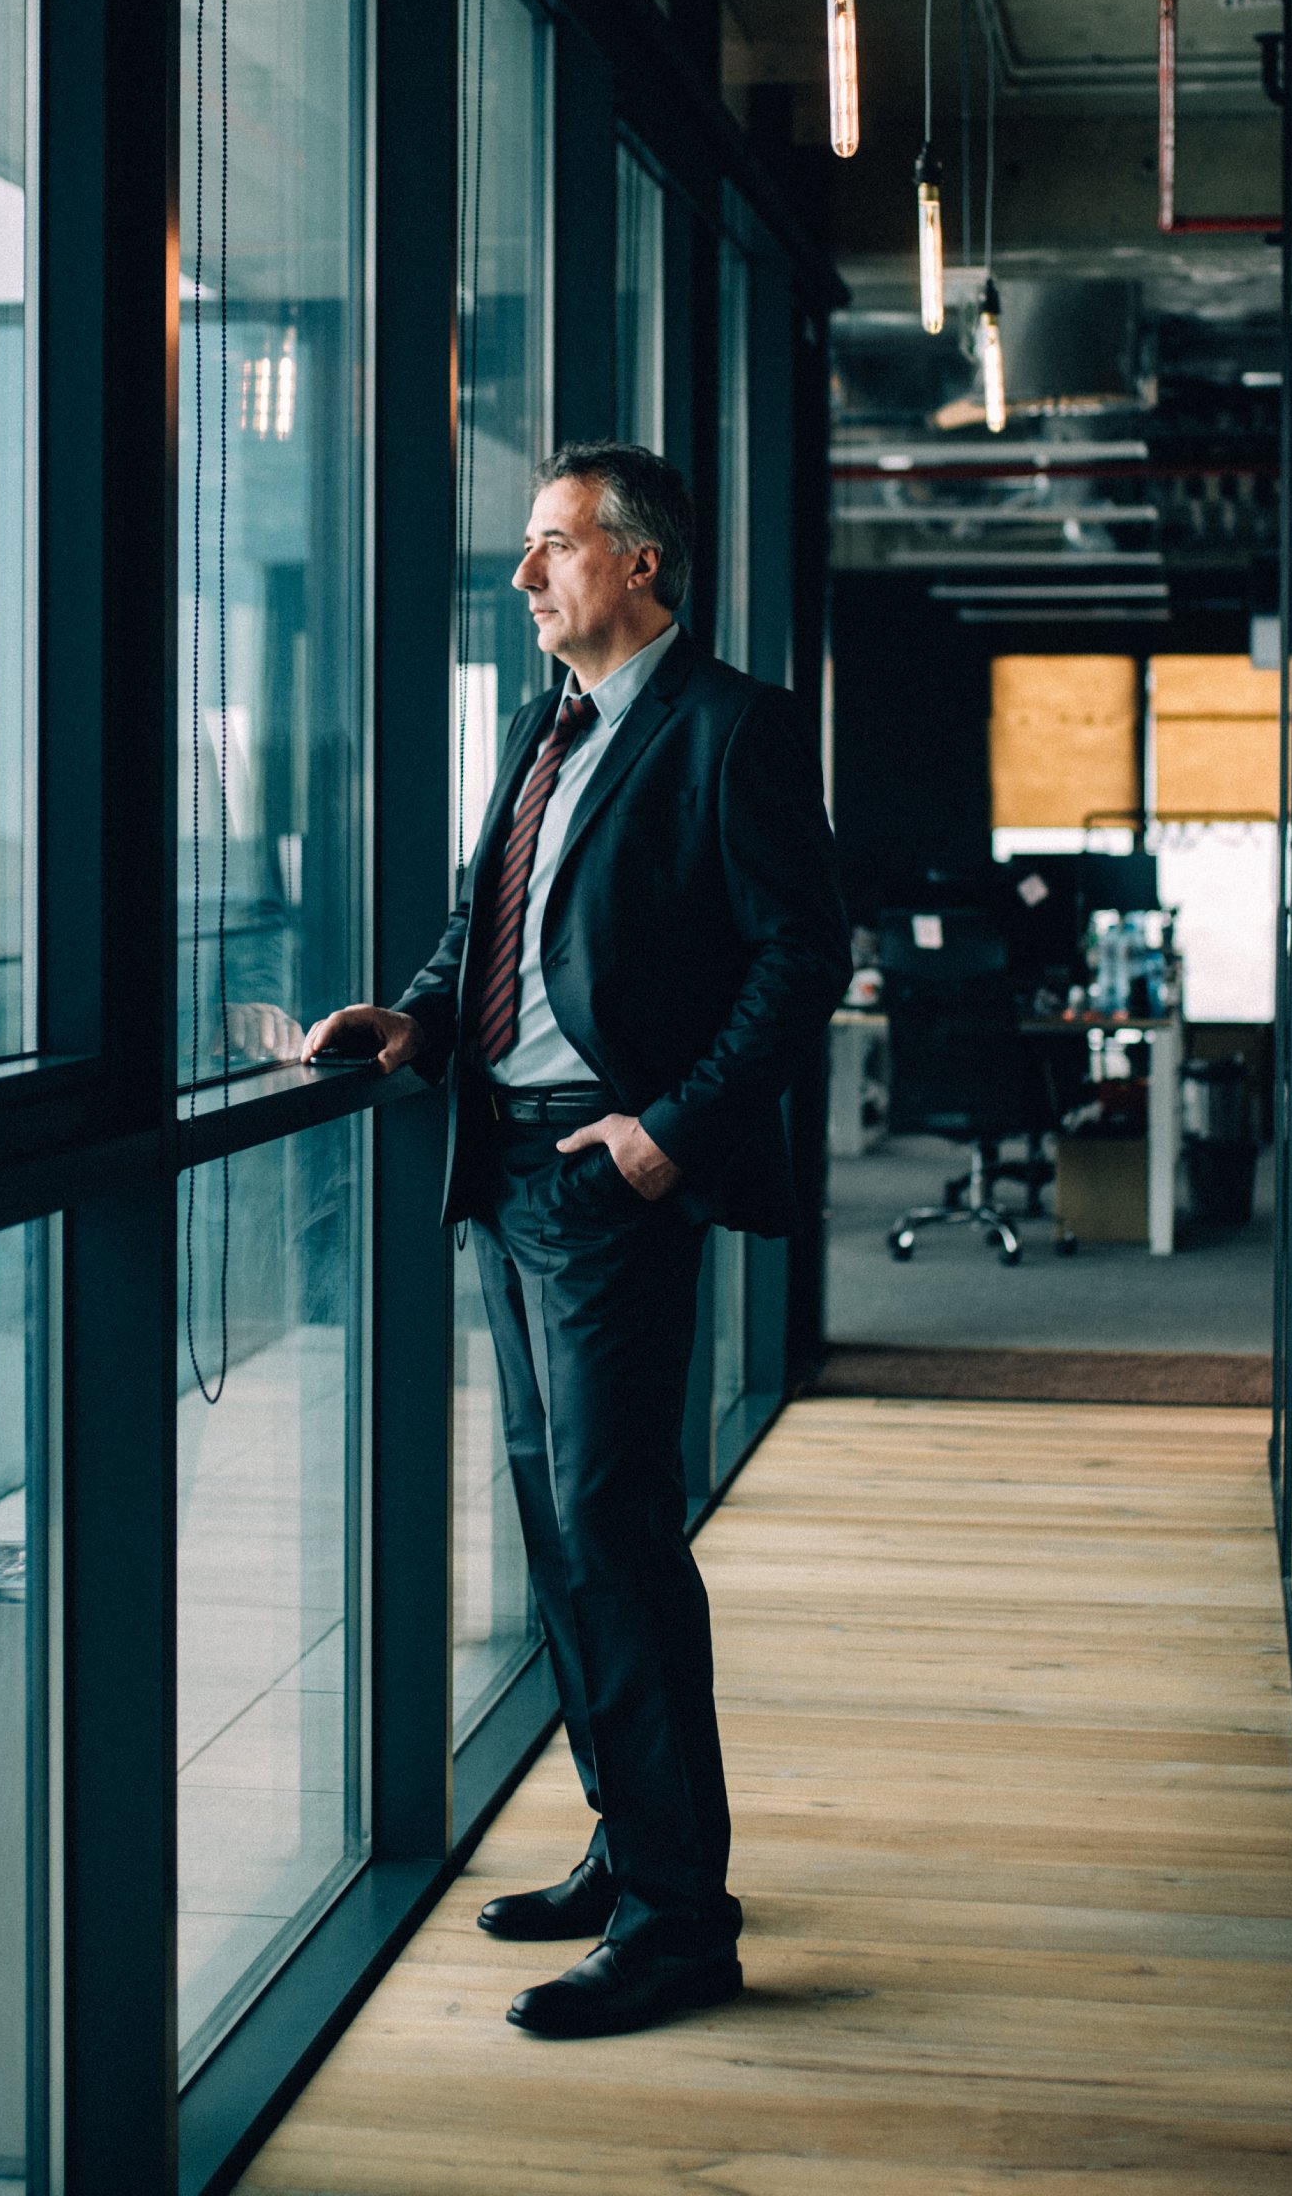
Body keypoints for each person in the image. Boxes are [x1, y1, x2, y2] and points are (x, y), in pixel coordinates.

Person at [306, 441, 848, 2040]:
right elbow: (484, 922)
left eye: (552, 547)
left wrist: (669, 1129)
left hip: (611, 1185)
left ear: (642, 566)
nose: (527, 575)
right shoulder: (548, 728)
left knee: (614, 1532)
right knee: (560, 1531)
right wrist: (410, 1017)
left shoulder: (732, 729)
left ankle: (685, 1923)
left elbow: (801, 955)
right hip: (508, 1166)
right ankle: (631, 1846)